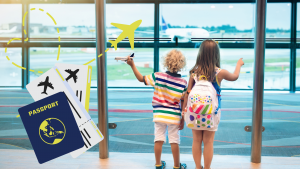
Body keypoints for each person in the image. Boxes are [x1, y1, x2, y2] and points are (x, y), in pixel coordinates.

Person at [180, 40, 244, 169]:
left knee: (196, 141)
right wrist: (239, 64)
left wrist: (183, 114)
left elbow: (188, 93)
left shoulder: (194, 72)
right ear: (216, 54)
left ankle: (198, 167)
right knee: (209, 142)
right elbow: (235, 76)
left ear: (201, 53)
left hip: (194, 113)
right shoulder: (219, 72)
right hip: (211, 114)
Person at [126, 49, 188, 169]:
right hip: (174, 116)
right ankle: (176, 166)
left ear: (166, 61)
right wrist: (182, 118)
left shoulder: (157, 76)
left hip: (159, 115)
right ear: (182, 64)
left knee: (158, 139)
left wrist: (132, 65)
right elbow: (183, 102)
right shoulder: (183, 83)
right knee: (174, 140)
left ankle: (158, 164)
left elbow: (141, 79)